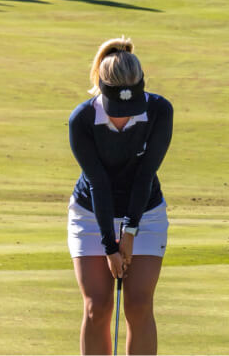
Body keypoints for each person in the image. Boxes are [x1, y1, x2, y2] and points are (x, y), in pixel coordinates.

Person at [68, 38, 174, 355]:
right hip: (91, 213)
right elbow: (98, 181)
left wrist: (128, 231)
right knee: (97, 307)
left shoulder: (159, 111)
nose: (123, 117)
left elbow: (145, 175)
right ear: (101, 88)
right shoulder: (82, 120)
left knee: (139, 305)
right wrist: (110, 244)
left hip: (146, 211)